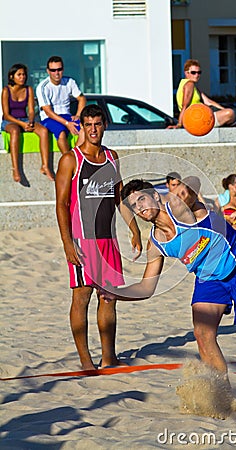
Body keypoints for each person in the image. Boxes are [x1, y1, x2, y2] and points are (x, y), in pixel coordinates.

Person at [101, 177, 236, 377]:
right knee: (203, 335)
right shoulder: (156, 243)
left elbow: (194, 181)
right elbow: (146, 287)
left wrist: (183, 193)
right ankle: (222, 395)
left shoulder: (181, 210)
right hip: (209, 280)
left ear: (154, 196)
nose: (139, 207)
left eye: (141, 199)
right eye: (134, 206)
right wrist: (116, 293)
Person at [55, 104, 142, 370]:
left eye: (98, 124)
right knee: (82, 298)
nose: (93, 129)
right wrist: (67, 244)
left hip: (108, 240)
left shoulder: (112, 157)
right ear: (82, 126)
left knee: (109, 298)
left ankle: (108, 357)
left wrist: (134, 228)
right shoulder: (71, 160)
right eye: (88, 124)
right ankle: (85, 359)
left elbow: (119, 198)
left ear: (105, 125)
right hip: (82, 240)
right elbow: (61, 205)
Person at [1, 63, 54, 182]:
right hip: (10, 121)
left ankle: (45, 165)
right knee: (15, 131)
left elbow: (31, 110)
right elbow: (6, 114)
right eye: (19, 75)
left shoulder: (28, 89)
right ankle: (15, 168)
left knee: (43, 131)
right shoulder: (6, 90)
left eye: (24, 74)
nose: (22, 77)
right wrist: (22, 125)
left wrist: (30, 121)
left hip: (25, 119)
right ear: (11, 76)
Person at [173, 59, 236, 130]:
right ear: (186, 73)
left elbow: (208, 102)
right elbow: (184, 106)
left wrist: (222, 109)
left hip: (201, 116)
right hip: (197, 119)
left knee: (229, 112)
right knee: (230, 113)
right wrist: (179, 124)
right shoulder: (189, 84)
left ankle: (234, 121)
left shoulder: (191, 85)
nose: (197, 75)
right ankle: (234, 122)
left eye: (199, 72)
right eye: (193, 72)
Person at [36, 56, 86, 154]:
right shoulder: (43, 87)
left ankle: (76, 156)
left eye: (59, 69)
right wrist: (67, 124)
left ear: (63, 69)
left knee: (84, 129)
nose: (56, 73)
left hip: (67, 116)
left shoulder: (69, 81)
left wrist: (78, 115)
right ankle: (68, 159)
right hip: (49, 118)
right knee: (62, 133)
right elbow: (48, 112)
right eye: (53, 70)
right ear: (48, 71)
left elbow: (82, 98)